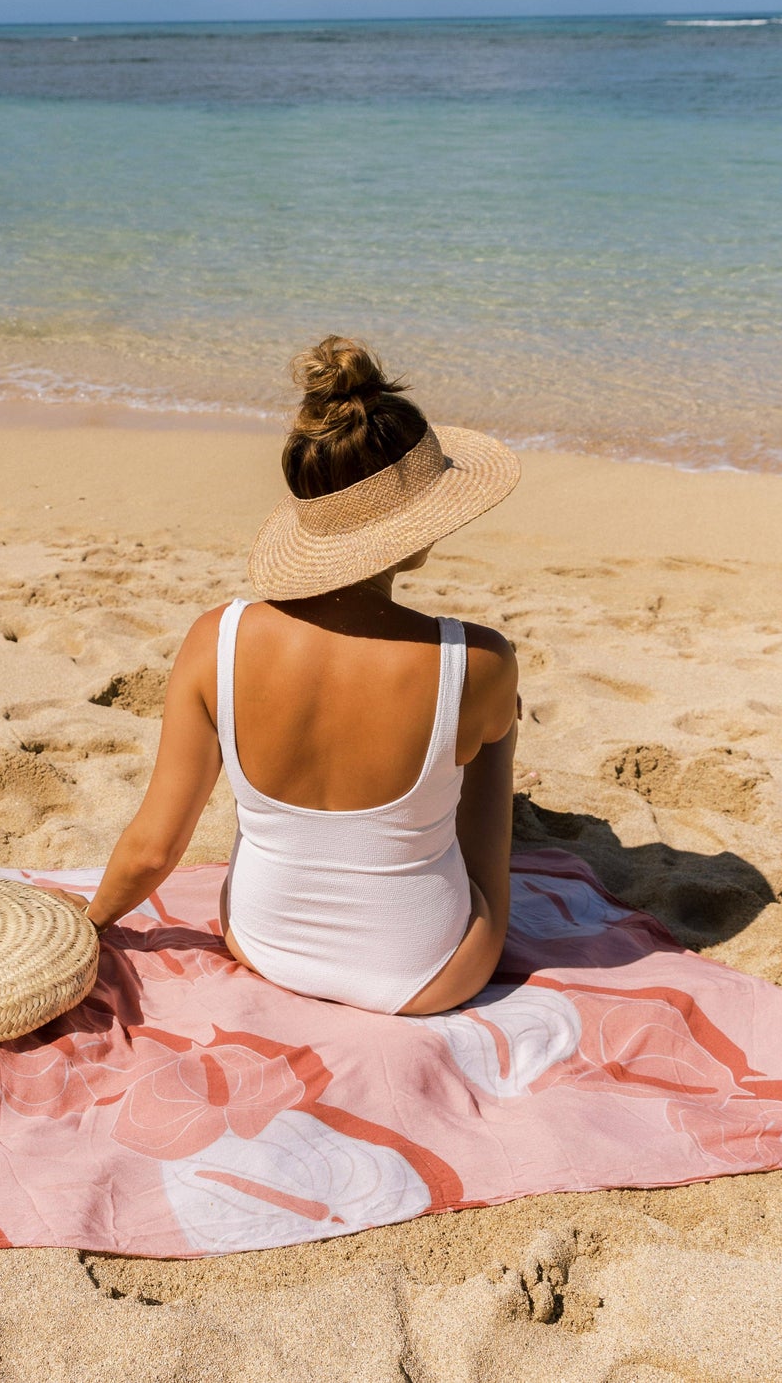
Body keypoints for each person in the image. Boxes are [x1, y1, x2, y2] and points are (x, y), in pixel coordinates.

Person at [82, 336, 522, 1016]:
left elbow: (152, 848)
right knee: (493, 737)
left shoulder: (214, 639)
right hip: (431, 971)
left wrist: (90, 922)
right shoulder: (480, 660)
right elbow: (482, 830)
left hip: (260, 940)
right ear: (421, 520)